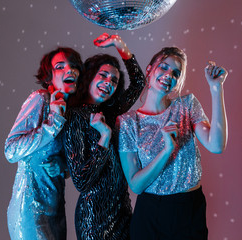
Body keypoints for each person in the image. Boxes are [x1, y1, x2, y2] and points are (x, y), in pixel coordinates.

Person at [117, 47, 228, 240]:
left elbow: (216, 145)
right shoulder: (128, 122)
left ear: (178, 83)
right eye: (164, 68)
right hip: (150, 214)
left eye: (176, 73)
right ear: (150, 69)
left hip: (189, 208)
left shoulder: (187, 105)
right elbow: (135, 185)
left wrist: (216, 89)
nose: (169, 75)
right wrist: (167, 150)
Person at [63, 33, 145, 240]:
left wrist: (120, 45)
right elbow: (81, 182)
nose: (109, 82)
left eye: (114, 80)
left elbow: (138, 83)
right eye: (103, 75)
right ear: (90, 76)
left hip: (122, 211)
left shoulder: (110, 112)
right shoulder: (75, 117)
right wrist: (104, 137)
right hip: (94, 218)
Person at [4, 47, 83, 240]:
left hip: (55, 209)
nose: (69, 71)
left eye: (74, 66)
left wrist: (63, 167)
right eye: (60, 67)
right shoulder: (40, 99)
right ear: (49, 77)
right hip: (30, 209)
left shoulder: (70, 111)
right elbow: (11, 150)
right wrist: (53, 122)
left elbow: (62, 160)